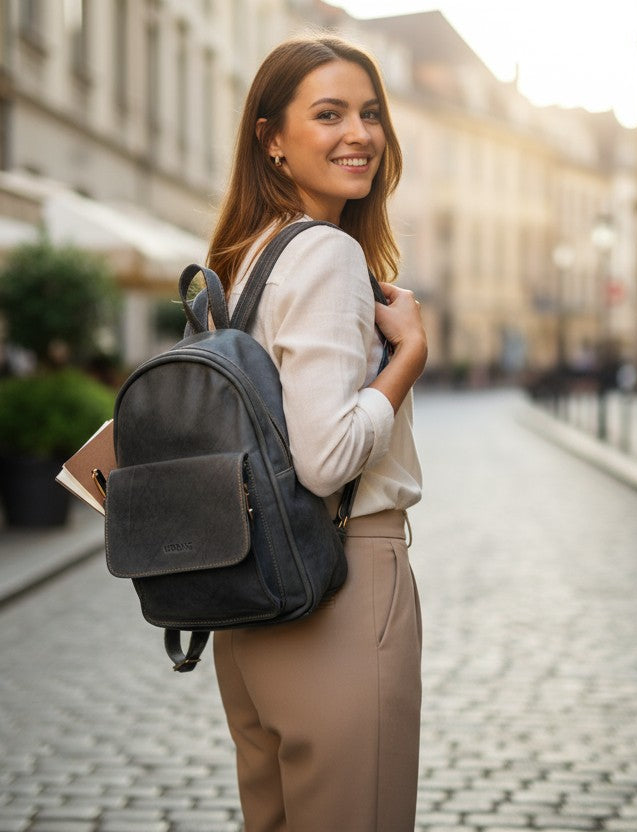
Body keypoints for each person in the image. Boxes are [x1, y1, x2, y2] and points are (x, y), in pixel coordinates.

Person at [205, 35, 427, 832]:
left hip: (251, 609)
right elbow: (327, 456)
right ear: (271, 137)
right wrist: (408, 357)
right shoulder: (328, 255)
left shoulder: (246, 260)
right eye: (328, 114)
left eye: (370, 113)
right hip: (339, 584)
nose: (359, 134)